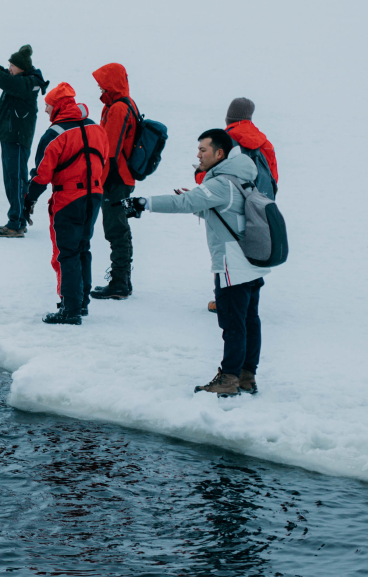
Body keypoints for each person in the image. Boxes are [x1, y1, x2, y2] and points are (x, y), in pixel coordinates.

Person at [132, 129, 263, 396]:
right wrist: (197, 202)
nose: (198, 154)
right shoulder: (242, 178)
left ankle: (228, 379)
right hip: (251, 261)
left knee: (232, 324)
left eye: (203, 150)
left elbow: (185, 202)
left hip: (231, 263)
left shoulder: (220, 183)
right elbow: (226, 210)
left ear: (220, 153)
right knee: (249, 320)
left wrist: (144, 203)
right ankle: (246, 377)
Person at [28, 85, 104, 324]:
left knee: (67, 253)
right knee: (83, 248)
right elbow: (104, 161)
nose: (46, 110)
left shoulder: (55, 134)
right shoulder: (96, 128)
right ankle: (82, 304)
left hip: (68, 199)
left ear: (58, 106)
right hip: (94, 195)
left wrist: (28, 199)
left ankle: (70, 310)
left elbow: (42, 173)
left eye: (48, 106)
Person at [197, 98, 279, 311]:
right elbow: (274, 175)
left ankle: (224, 299)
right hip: (258, 203)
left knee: (223, 247)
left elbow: (212, 177)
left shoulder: (226, 139)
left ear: (229, 117)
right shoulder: (264, 140)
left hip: (230, 202)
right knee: (252, 246)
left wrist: (199, 178)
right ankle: (248, 296)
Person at [88, 63, 143, 301]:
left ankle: (120, 281)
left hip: (115, 178)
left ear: (111, 82)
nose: (99, 85)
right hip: (121, 177)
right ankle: (122, 279)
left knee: (116, 229)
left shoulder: (119, 108)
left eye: (102, 81)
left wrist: (98, 181)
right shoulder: (123, 104)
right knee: (118, 227)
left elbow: (109, 149)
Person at [0, 46, 45, 237]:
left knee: (16, 181)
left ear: (22, 68)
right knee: (12, 181)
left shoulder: (27, 83)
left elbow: (5, 80)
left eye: (12, 65)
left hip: (16, 138)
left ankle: (16, 223)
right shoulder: (22, 80)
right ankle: (18, 220)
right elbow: (5, 76)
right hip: (11, 137)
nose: (9, 68)